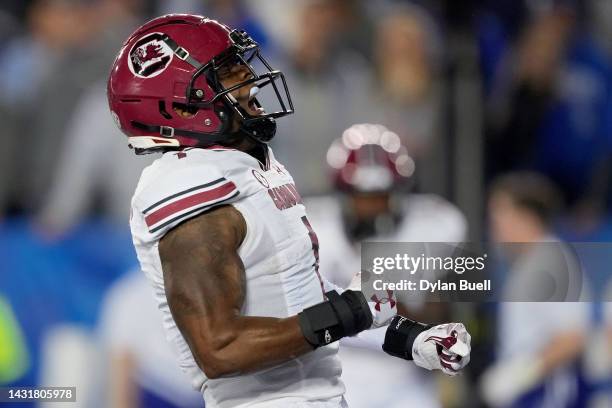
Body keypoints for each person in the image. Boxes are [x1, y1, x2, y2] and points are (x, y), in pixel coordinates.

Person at [107, 15, 471, 407]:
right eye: (226, 71)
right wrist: (349, 311)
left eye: (239, 62)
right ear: (182, 105)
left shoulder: (247, 166)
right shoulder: (191, 186)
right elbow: (219, 348)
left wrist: (407, 338)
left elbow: (299, 296)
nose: (248, 76)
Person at [306, 124, 467, 408]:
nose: (372, 206)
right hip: (341, 367)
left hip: (406, 368)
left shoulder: (434, 224)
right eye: (363, 196)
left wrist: (388, 301)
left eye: (381, 195)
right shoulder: (316, 228)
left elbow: (441, 311)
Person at [480, 172, 590, 408]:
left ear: (526, 217)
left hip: (546, 396)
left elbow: (573, 337)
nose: (493, 229)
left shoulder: (553, 263)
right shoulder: (526, 265)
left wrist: (520, 373)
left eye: (498, 218)